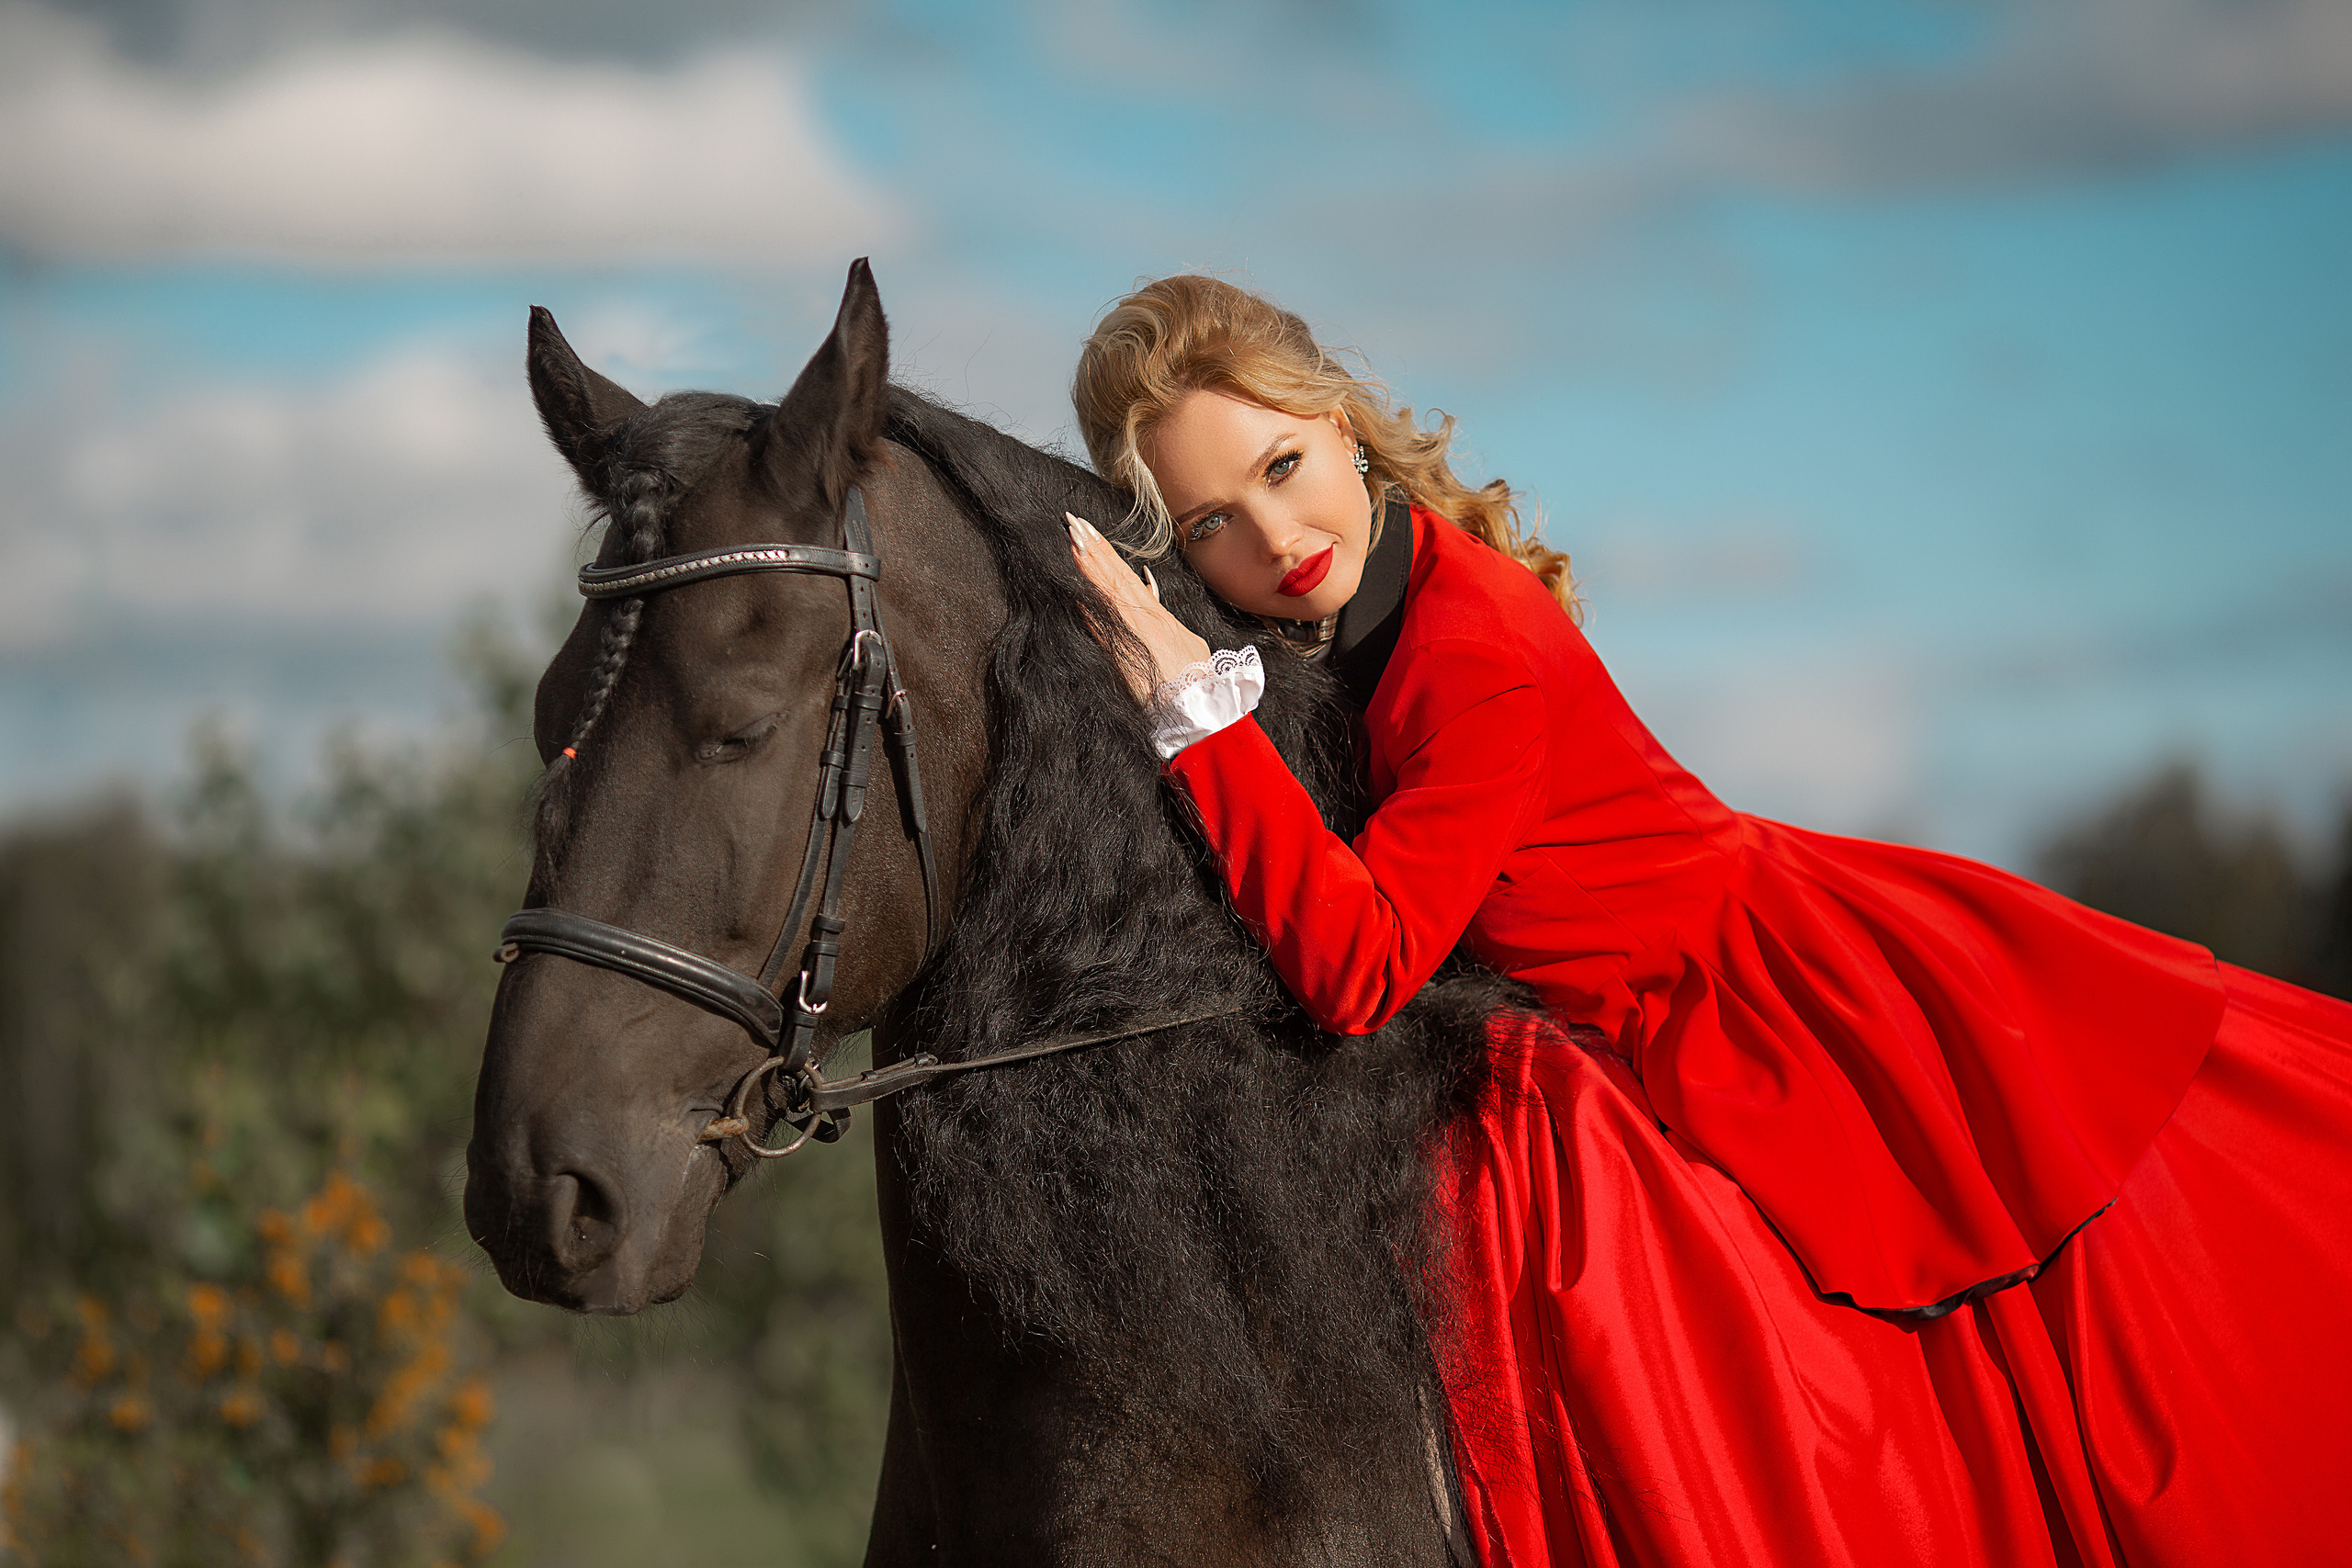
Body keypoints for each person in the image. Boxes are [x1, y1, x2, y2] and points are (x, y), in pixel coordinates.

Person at [1063, 274, 2352, 1568]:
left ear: (1341, 422)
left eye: (1285, 464)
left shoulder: (1472, 649)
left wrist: (1194, 711)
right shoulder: (1327, 616)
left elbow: (1363, 965)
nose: (1277, 535)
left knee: (2024, 1354)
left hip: (1762, 991)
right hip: (1633, 994)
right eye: (1217, 520)